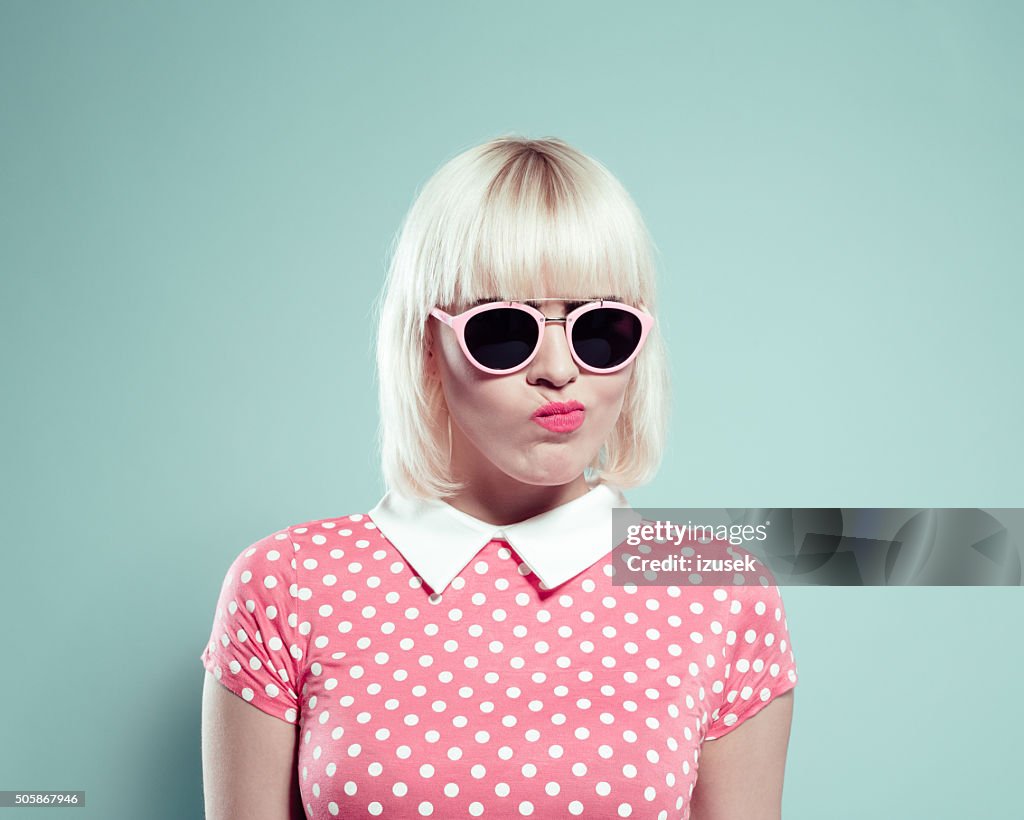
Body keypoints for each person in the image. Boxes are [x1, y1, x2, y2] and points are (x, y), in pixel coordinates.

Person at [200, 136, 798, 819]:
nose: (557, 369)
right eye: (504, 332)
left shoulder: (719, 590)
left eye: (601, 329)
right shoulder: (290, 583)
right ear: (428, 345)